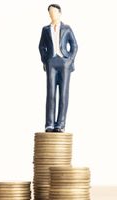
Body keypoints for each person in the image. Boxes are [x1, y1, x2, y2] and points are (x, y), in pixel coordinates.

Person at [39, 4, 78, 132]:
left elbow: (74, 45)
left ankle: (60, 124)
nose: (52, 14)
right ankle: (49, 124)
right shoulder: (45, 29)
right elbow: (41, 47)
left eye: (54, 12)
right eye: (50, 12)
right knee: (50, 93)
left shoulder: (67, 28)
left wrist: (69, 60)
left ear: (60, 13)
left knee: (63, 93)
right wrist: (46, 60)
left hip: (64, 62)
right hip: (51, 62)